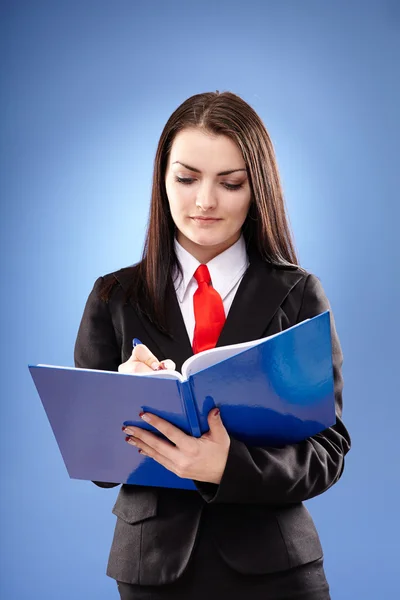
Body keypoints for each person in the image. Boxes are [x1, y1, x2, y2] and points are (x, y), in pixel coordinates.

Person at [74, 91, 351, 600]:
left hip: (276, 566)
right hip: (152, 568)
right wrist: (117, 398)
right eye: (186, 178)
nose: (205, 201)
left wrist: (226, 468)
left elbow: (327, 451)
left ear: (257, 189)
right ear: (162, 181)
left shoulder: (297, 293)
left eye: (231, 183)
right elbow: (94, 466)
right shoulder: (113, 296)